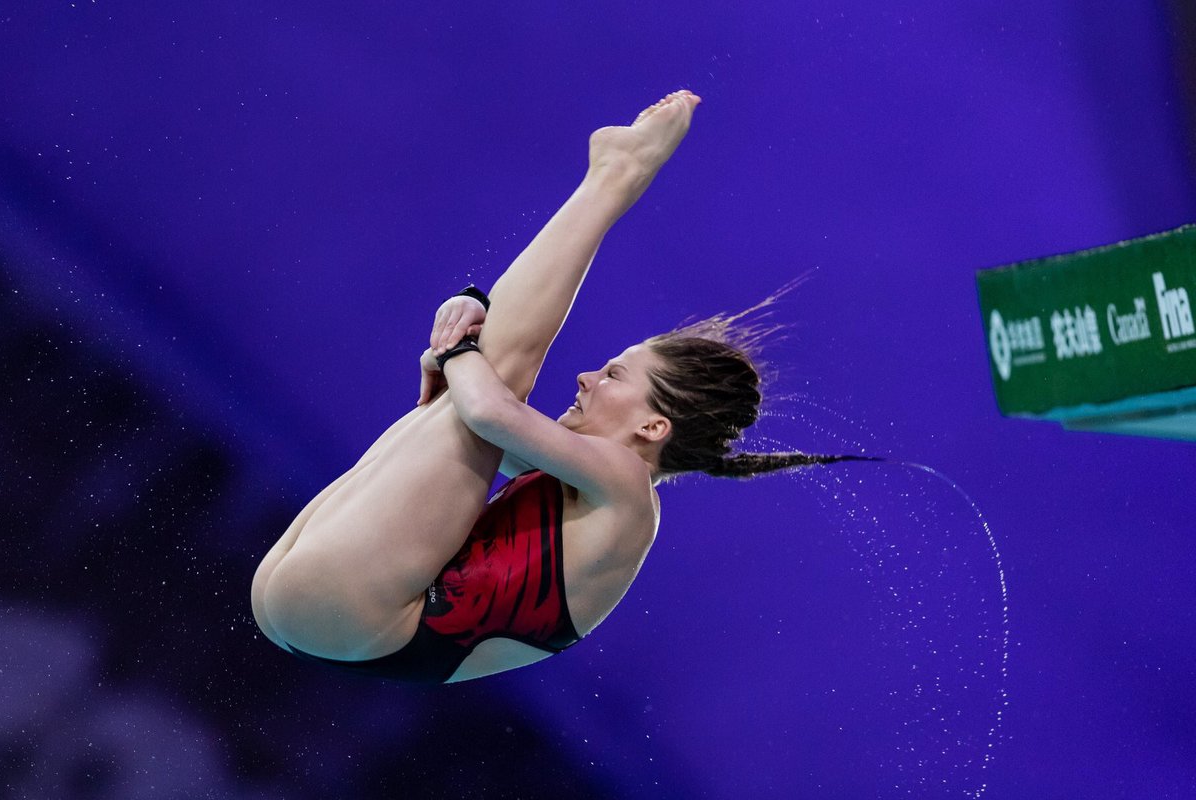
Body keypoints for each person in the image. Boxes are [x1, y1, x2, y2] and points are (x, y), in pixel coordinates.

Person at [250, 89, 861, 683]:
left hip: (360, 613)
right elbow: (464, 414)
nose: (587, 377)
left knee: (500, 377)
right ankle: (611, 177)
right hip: (333, 620)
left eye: (614, 375)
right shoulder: (581, 489)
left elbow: (489, 408)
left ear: (653, 427)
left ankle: (616, 176)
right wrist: (463, 333)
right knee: (477, 390)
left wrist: (460, 338)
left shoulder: (627, 490)